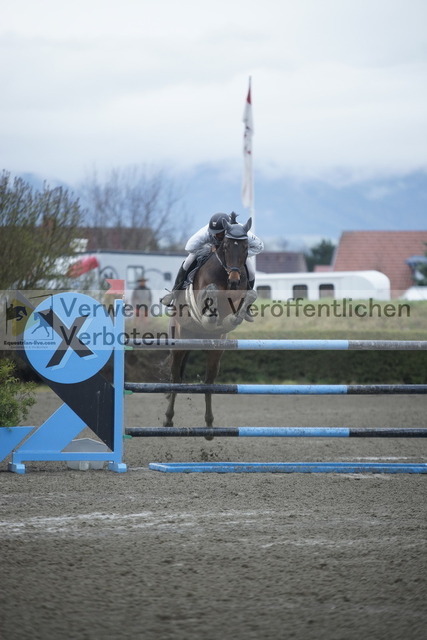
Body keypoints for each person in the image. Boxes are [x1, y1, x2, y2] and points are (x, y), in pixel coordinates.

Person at [160, 212, 264, 311]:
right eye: (214, 233)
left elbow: (259, 246)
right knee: (188, 261)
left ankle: (246, 304)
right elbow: (189, 248)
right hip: (208, 249)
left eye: (219, 234)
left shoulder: (240, 230)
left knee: (251, 271)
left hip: (233, 253)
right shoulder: (205, 233)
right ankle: (174, 292)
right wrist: (209, 249)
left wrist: (238, 255)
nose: (215, 236)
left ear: (226, 230)